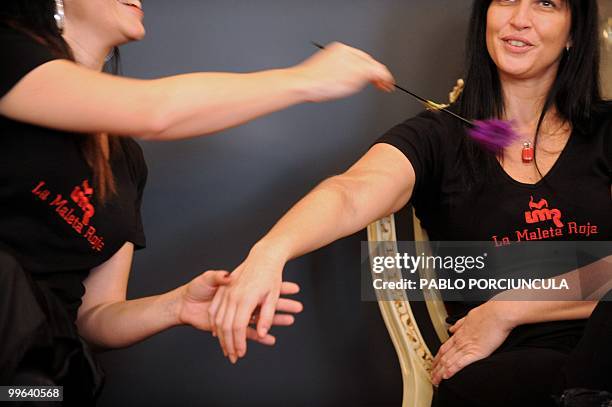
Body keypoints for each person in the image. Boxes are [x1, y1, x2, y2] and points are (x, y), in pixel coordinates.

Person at [210, 0, 612, 405]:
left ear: (575, 32)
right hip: (507, 371)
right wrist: (271, 251)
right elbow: (350, 192)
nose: (520, 18)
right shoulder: (436, 137)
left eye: (546, 3)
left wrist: (511, 307)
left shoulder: (605, 131)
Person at [0, 0, 396, 402]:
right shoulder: (8, 52)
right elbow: (156, 111)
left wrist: (176, 307)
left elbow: (93, 317)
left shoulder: (125, 159)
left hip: (41, 375)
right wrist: (306, 80)